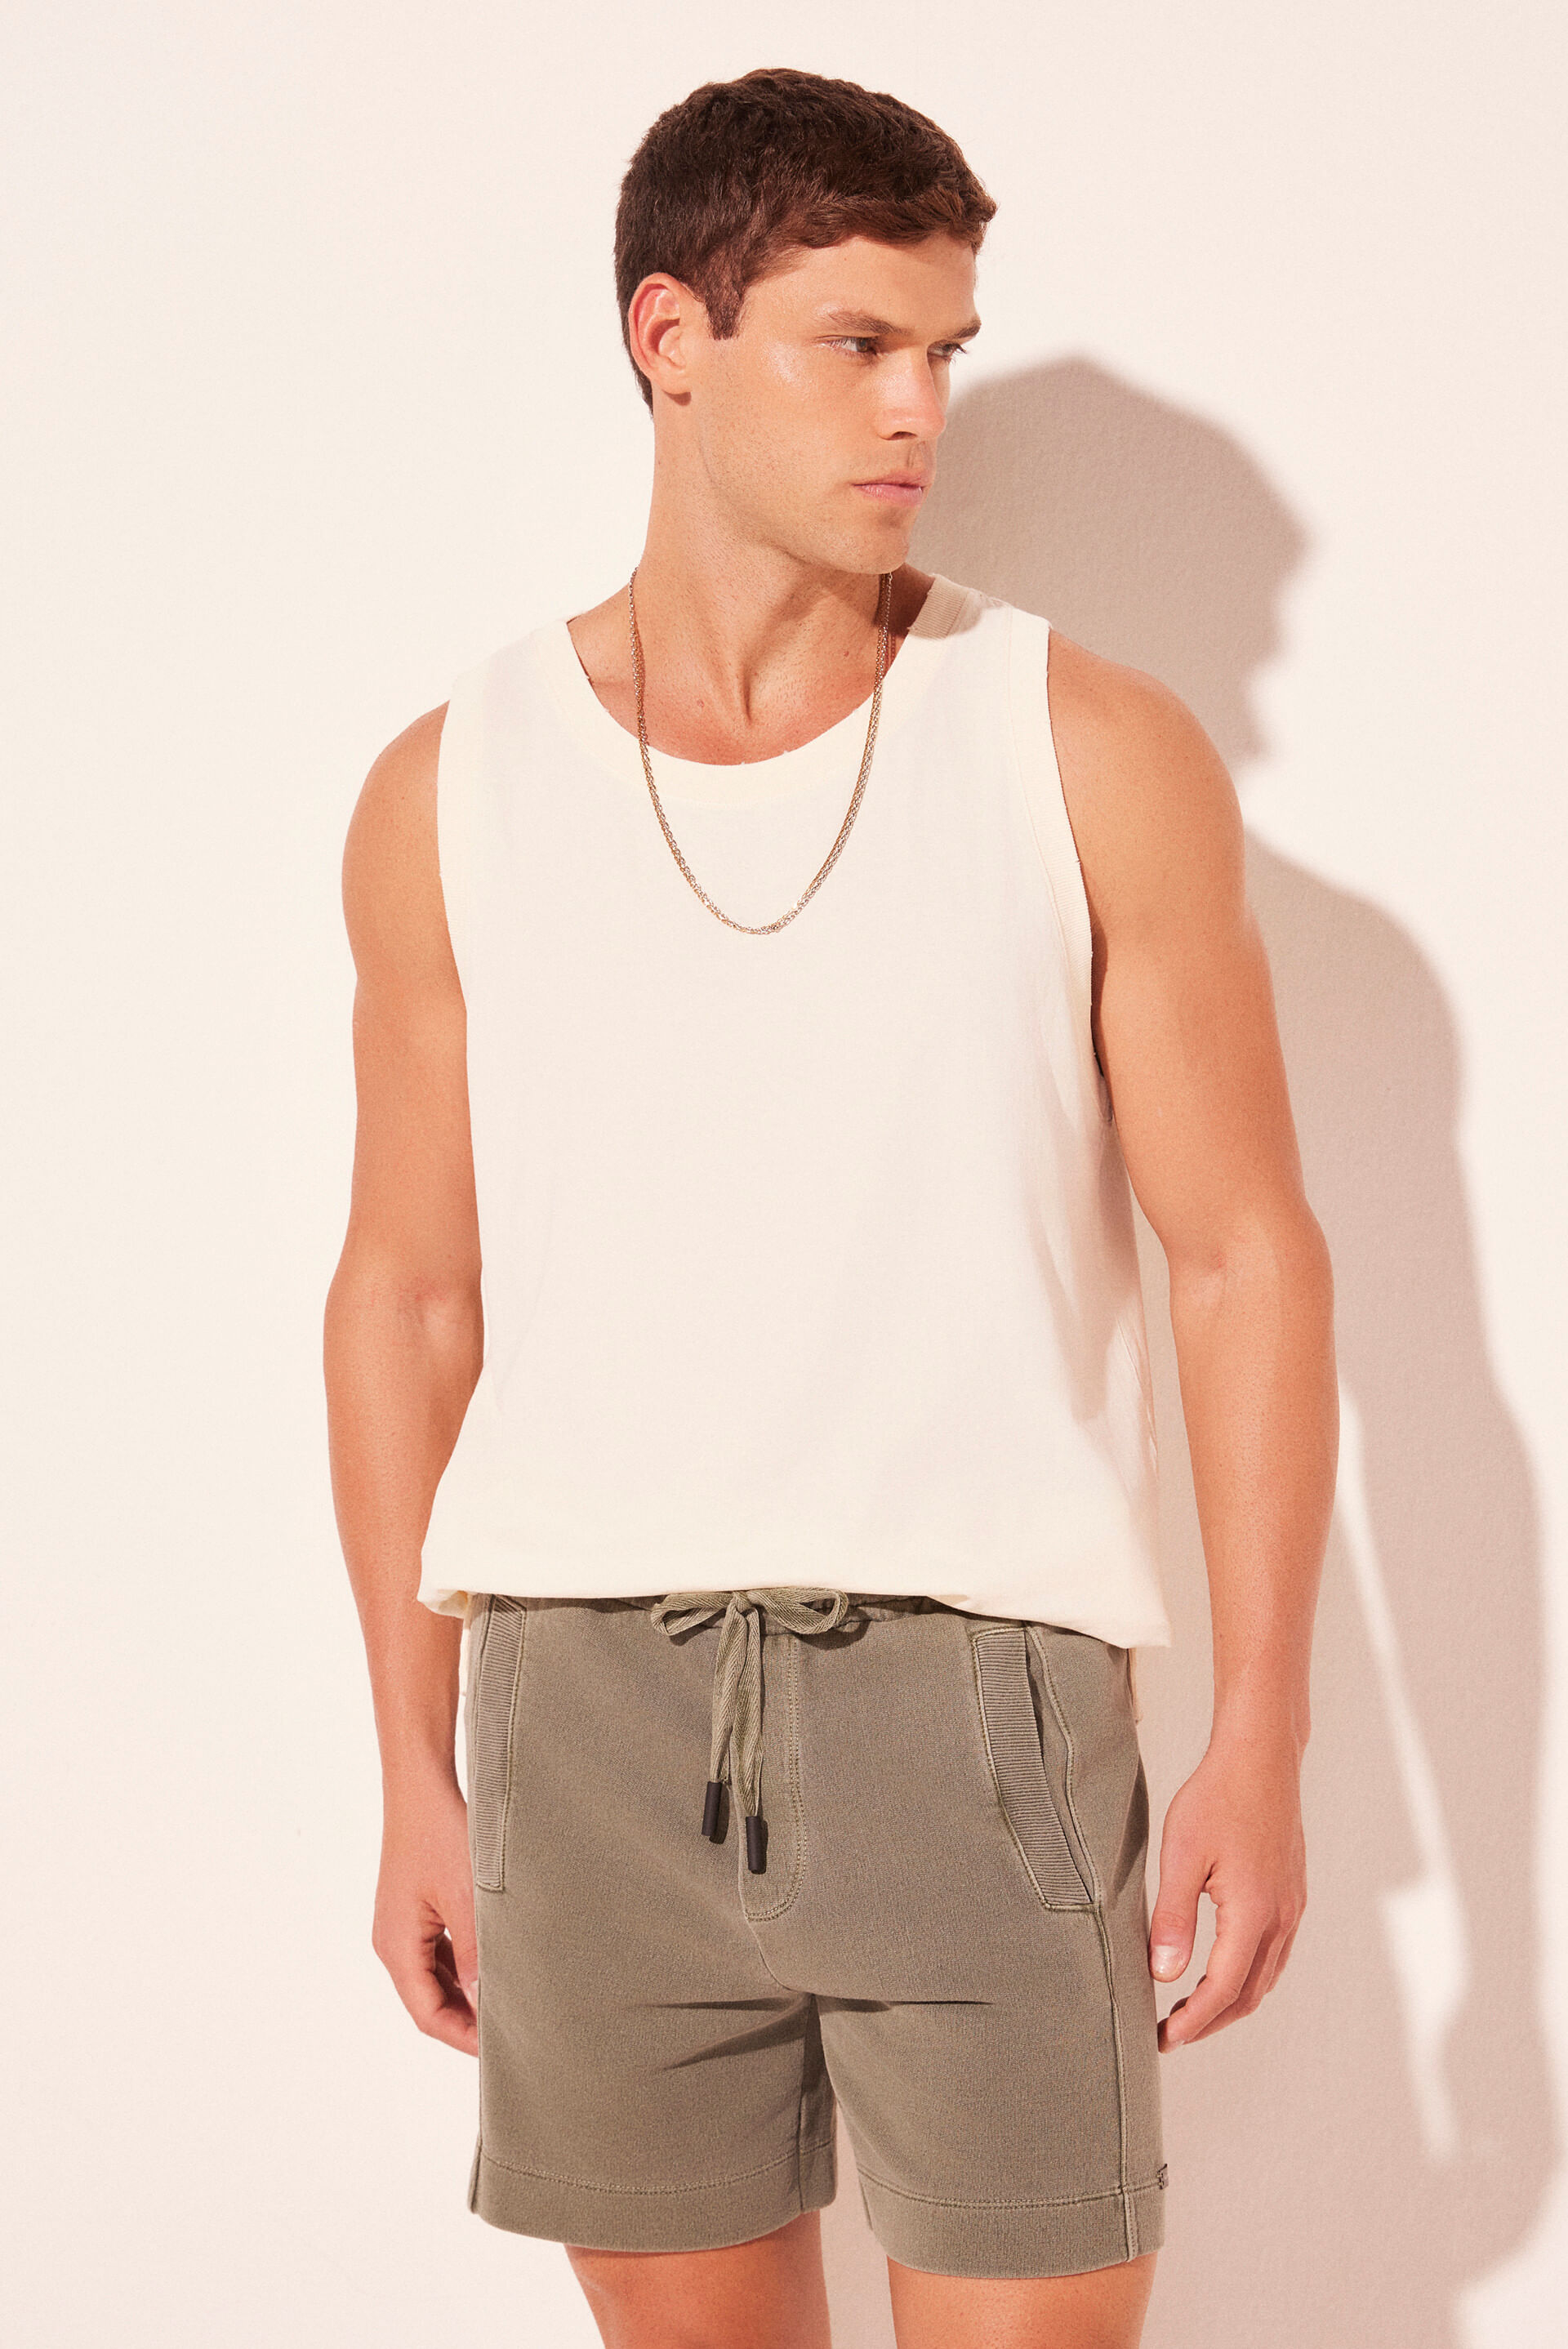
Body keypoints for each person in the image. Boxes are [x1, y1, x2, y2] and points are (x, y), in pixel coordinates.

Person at [324, 65, 1337, 2349]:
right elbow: (404, 1296)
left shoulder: (1085, 746)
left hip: (982, 1709)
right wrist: (411, 1759)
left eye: (946, 351)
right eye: (857, 343)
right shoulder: (452, 786)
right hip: (584, 1713)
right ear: (668, 338)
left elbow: (1247, 1254)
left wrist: (1264, 1731)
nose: (917, 410)